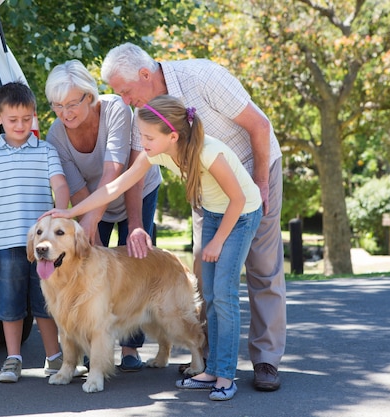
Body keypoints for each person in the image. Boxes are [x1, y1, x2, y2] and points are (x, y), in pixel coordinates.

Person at [43, 95, 262, 401]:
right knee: (210, 295)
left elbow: (239, 200)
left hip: (241, 214)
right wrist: (69, 211)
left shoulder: (209, 153)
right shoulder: (155, 153)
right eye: (141, 136)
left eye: (147, 137)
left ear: (172, 136)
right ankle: (210, 368)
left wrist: (217, 241)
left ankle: (225, 376)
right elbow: (113, 187)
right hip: (214, 212)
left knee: (224, 296)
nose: (141, 142)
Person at [100, 42, 286, 392]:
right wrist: (136, 224)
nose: (123, 100)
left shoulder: (203, 76)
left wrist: (260, 184)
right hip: (206, 187)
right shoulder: (146, 110)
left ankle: (266, 360)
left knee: (263, 269)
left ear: (144, 74)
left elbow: (260, 126)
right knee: (205, 273)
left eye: (124, 91)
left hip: (255, 170)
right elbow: (136, 169)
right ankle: (209, 358)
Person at [44, 59, 162, 371]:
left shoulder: (115, 111)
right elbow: (80, 190)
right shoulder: (56, 136)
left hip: (135, 189)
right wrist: (89, 227)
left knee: (135, 267)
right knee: (90, 268)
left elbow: (116, 171)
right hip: (92, 203)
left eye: (72, 104)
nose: (65, 113)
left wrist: (132, 224)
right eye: (57, 106)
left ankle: (130, 349)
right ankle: (90, 344)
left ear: (89, 96)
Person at [0, 81, 86, 383]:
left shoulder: (46, 150)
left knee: (46, 303)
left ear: (34, 116)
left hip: (45, 246)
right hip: (8, 243)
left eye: (27, 119)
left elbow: (61, 185)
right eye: (13, 120)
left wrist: (59, 215)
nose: (21, 125)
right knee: (10, 303)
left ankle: (54, 358)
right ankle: (13, 359)